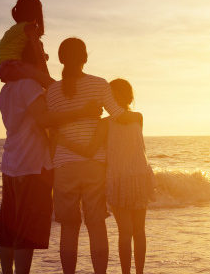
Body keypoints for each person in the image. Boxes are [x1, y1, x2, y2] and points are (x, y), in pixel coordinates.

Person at [0, 37, 101, 274]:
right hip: (31, 164)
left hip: (10, 163)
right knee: (25, 231)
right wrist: (82, 111)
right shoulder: (29, 86)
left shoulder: (6, 89)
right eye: (41, 53)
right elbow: (44, 119)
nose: (45, 57)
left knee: (8, 229)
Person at [46, 38, 141, 274]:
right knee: (96, 226)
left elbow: (50, 128)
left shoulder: (52, 91)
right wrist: (137, 118)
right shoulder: (99, 85)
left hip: (64, 166)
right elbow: (118, 115)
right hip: (94, 165)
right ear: (85, 58)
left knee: (69, 229)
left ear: (60, 59)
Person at [58, 78, 154, 274]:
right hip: (140, 176)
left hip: (119, 179)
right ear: (130, 97)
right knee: (139, 231)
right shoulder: (138, 117)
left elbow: (90, 151)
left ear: (109, 97)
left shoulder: (105, 124)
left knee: (125, 233)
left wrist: (63, 141)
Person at [0, 0, 54, 88]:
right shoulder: (29, 28)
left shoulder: (15, 29)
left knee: (41, 79)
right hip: (12, 66)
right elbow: (39, 55)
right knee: (50, 83)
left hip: (2, 68)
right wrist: (48, 79)